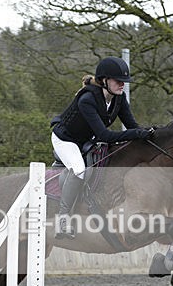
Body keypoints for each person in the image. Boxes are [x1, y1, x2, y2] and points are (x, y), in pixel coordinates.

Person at [50, 56, 153, 239]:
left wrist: (151, 134)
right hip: (65, 140)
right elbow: (104, 135)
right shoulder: (87, 99)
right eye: (118, 81)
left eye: (124, 82)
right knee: (80, 170)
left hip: (85, 140)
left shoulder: (118, 99)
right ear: (105, 80)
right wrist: (137, 134)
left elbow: (132, 126)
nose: (122, 85)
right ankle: (63, 219)